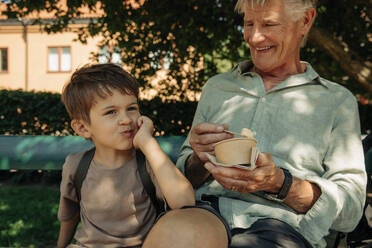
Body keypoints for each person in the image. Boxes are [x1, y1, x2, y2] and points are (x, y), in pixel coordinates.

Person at [175, 0, 367, 247]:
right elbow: (180, 179)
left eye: (269, 24)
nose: (254, 38)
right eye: (248, 24)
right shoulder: (216, 88)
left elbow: (350, 210)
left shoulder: (337, 102)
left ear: (306, 21)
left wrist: (281, 184)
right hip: (204, 212)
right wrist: (198, 160)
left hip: (282, 227)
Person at [56, 63, 196, 248]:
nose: (126, 120)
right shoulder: (76, 165)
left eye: (131, 108)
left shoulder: (148, 163)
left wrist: (147, 142)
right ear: (83, 127)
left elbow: (185, 201)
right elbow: (69, 217)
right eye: (111, 112)